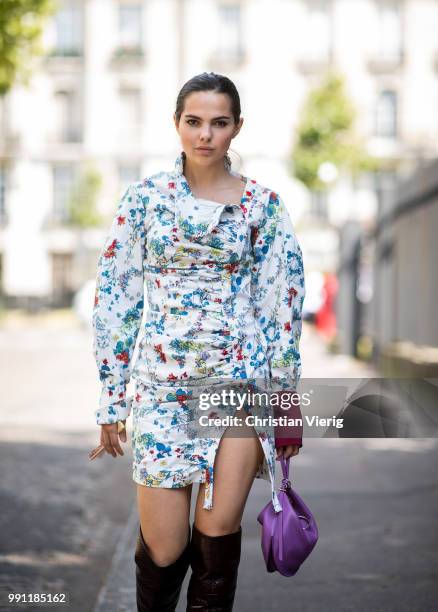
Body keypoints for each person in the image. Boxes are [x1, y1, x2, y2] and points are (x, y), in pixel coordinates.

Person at [91, 72, 305, 612]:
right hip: (161, 392)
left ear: (237, 128)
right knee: (164, 550)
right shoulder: (144, 201)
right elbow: (117, 300)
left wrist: (285, 404)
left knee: (216, 538)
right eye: (194, 121)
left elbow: (283, 310)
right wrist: (112, 400)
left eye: (218, 122)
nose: (205, 134)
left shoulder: (264, 207)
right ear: (176, 124)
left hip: (238, 386)